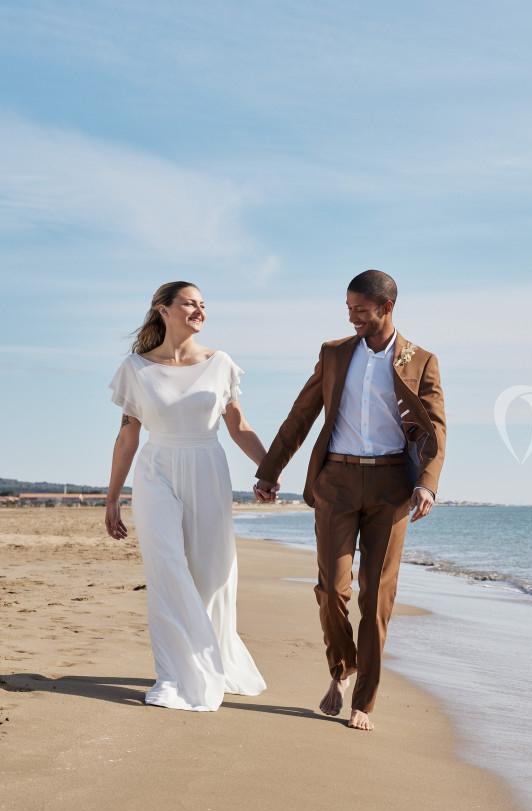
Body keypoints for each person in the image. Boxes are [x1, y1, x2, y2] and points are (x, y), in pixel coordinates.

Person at [253, 269, 445, 731]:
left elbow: (435, 428)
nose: (352, 317)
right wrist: (269, 470)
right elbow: (301, 413)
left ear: (386, 308)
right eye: (348, 309)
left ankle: (364, 701)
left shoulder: (420, 360)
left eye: (360, 310)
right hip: (336, 481)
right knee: (331, 590)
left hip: (391, 488)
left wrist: (428, 483)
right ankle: (342, 667)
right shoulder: (335, 353)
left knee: (376, 596)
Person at [104, 281, 268, 711]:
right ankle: (178, 675)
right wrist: (112, 497)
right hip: (156, 469)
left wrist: (270, 470)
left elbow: (238, 427)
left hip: (207, 468)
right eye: (189, 304)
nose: (199, 311)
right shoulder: (135, 368)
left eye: (202, 305)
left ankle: (212, 655)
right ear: (163, 310)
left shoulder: (221, 363)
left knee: (212, 575)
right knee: (167, 569)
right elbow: (127, 437)